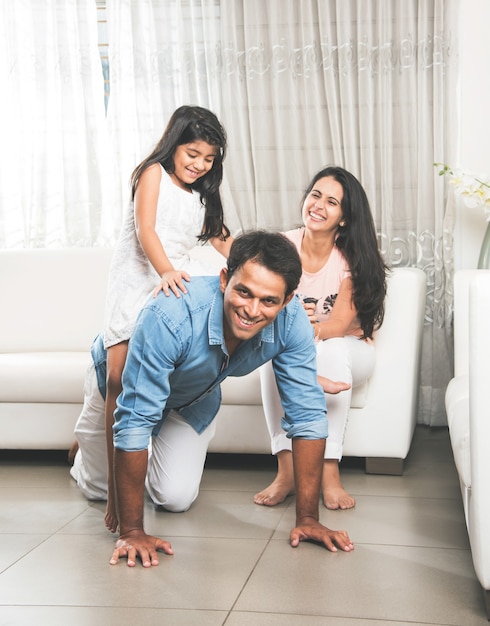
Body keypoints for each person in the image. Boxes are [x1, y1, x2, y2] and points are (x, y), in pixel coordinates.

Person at [70, 231, 354, 567]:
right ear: (224, 280)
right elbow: (134, 417)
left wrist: (308, 519)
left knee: (174, 498)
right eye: (244, 292)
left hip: (192, 396)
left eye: (268, 301)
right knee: (100, 489)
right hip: (122, 389)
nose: (251, 310)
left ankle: (133, 464)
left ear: (289, 298)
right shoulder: (170, 314)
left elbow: (306, 414)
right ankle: (83, 458)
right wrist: (131, 530)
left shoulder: (293, 322)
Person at [70, 105, 233, 534]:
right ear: (174, 144)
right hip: (140, 276)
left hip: (169, 286)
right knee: (118, 380)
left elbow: (223, 240)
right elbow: (146, 230)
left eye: (209, 158)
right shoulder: (153, 174)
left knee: (157, 376)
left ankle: (143, 450)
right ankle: (108, 484)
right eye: (192, 153)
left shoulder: (202, 194)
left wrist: (254, 266)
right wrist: (164, 270)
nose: (199, 165)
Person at [254, 166, 387, 511]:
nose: (318, 205)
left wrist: (295, 321)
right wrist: (294, 324)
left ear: (343, 218)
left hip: (351, 350)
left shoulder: (350, 259)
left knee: (330, 348)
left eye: (332, 202)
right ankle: (286, 471)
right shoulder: (282, 247)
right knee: (274, 350)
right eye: (315, 195)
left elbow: (338, 325)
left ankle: (329, 470)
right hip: (298, 346)